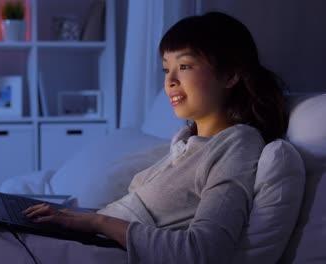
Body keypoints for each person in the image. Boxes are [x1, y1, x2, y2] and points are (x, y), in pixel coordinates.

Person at [23, 11, 286, 263]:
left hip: (100, 253)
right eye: (165, 69)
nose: (170, 80)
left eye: (184, 66)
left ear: (229, 75)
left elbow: (202, 252)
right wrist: (72, 217)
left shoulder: (237, 144)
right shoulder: (186, 143)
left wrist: (96, 222)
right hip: (85, 241)